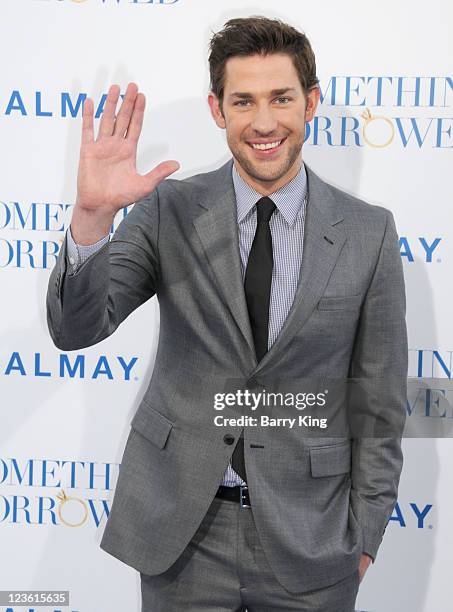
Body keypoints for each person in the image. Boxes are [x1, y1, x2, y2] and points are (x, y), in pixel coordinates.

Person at [46, 16, 408, 612]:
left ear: (311, 102)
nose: (264, 122)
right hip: (183, 533)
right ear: (218, 110)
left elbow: (378, 401)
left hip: (312, 540)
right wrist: (91, 218)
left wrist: (363, 535)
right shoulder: (169, 209)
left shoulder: (368, 233)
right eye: (244, 101)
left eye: (281, 98)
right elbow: (75, 329)